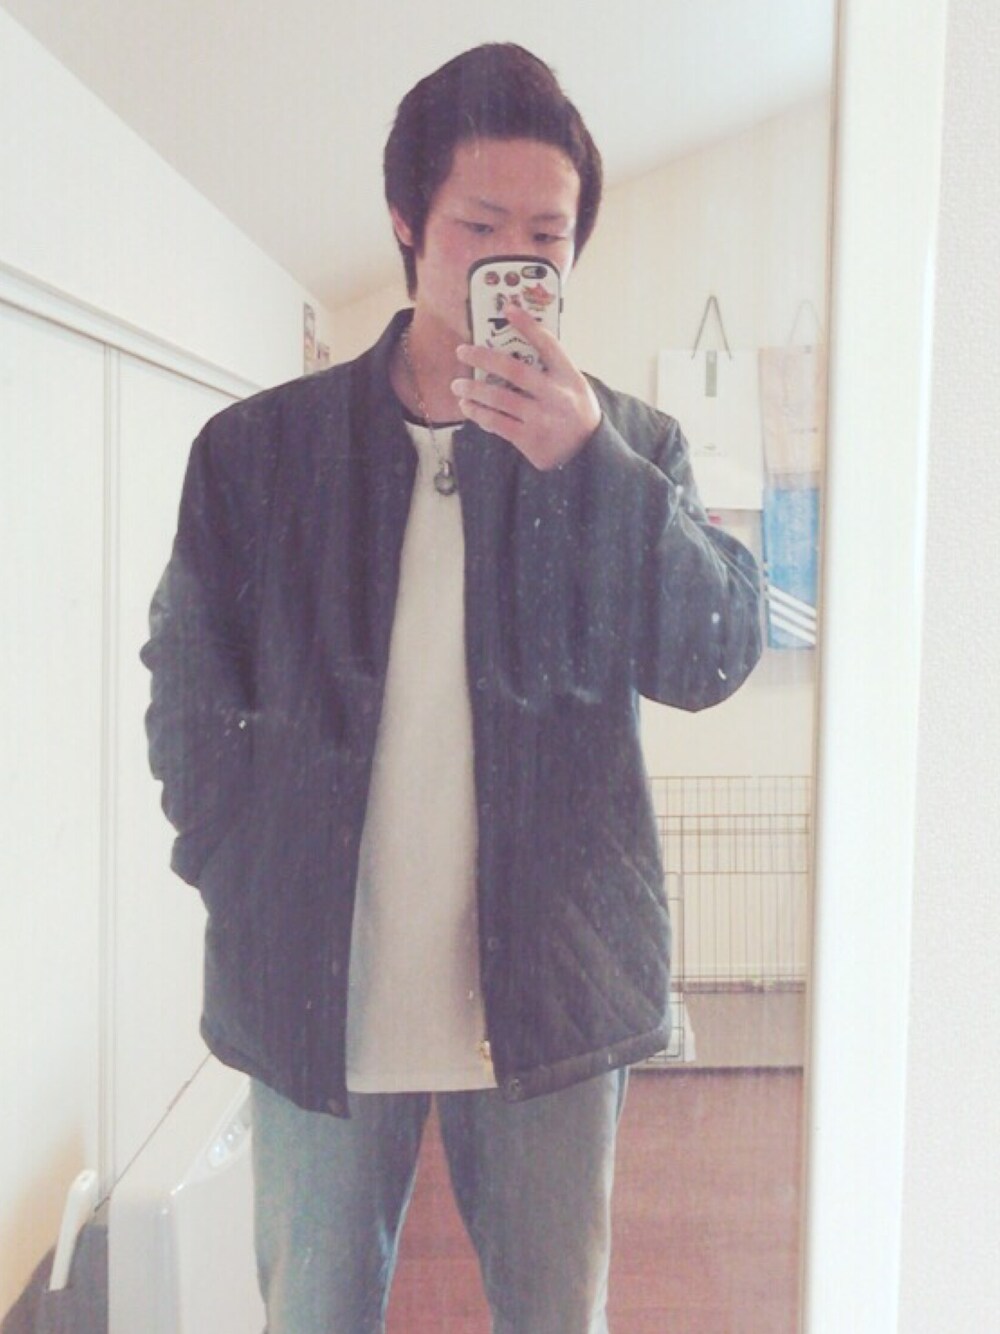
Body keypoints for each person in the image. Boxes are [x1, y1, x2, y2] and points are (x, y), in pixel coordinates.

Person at [141, 42, 762, 1334]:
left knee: (555, 1317)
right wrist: (232, 863)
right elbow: (187, 680)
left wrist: (589, 466)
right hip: (315, 988)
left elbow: (712, 652)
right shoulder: (259, 452)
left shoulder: (630, 446)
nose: (513, 263)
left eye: (547, 236)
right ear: (407, 224)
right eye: (480, 227)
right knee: (312, 1314)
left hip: (554, 994)